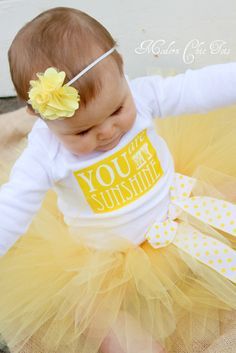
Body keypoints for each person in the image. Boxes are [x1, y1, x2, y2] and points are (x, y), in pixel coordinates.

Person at [0, 6, 235, 353]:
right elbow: (12, 208)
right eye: (83, 131)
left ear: (121, 68)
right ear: (40, 117)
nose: (108, 131)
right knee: (116, 334)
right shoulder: (44, 153)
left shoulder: (141, 96)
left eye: (116, 111)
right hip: (102, 262)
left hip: (176, 208)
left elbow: (195, 88)